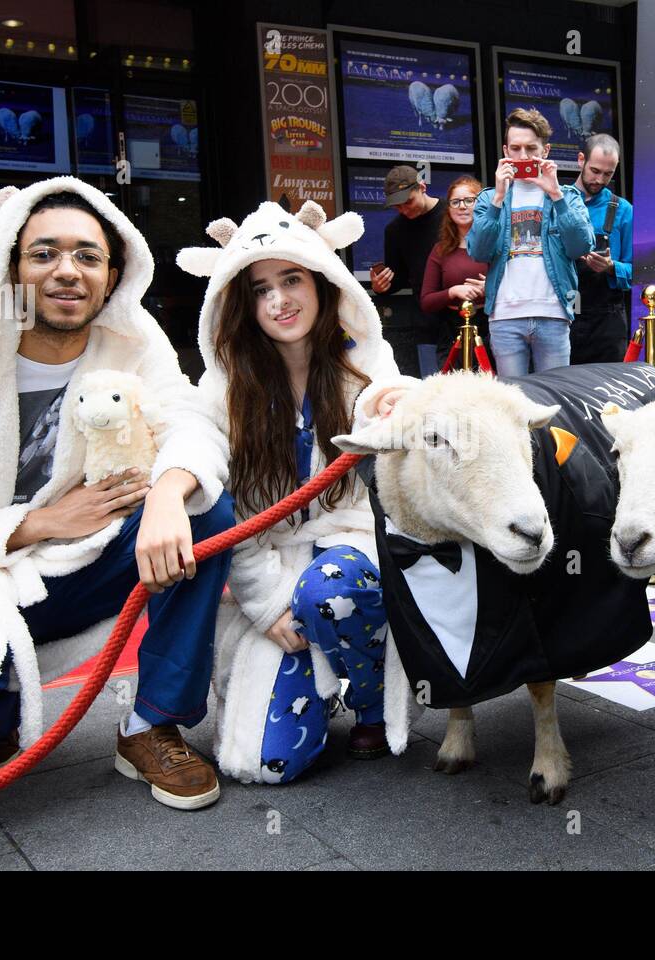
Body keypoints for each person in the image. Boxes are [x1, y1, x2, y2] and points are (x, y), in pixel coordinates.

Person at [0, 178, 236, 810]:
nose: (68, 271)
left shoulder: (134, 347)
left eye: (87, 256)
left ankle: (151, 722)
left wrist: (170, 495)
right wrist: (36, 523)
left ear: (114, 273)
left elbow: (191, 424)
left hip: (87, 562)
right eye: (44, 254)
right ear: (9, 264)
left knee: (207, 509)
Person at [178, 200, 418, 784]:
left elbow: (395, 400)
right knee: (270, 764)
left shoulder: (366, 364)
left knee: (331, 591)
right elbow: (200, 460)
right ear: (241, 304)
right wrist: (266, 603)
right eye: (260, 289)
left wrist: (400, 406)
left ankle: (367, 696)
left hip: (350, 558)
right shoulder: (226, 388)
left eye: (291, 279)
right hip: (272, 570)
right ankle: (318, 672)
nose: (278, 300)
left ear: (324, 281)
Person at [467, 108, 594, 377]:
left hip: (554, 312)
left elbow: (581, 247)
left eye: (531, 148)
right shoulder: (488, 197)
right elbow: (478, 250)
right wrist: (498, 199)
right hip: (504, 315)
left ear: (545, 151)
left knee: (557, 400)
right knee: (514, 405)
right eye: (515, 148)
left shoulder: (568, 196)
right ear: (505, 150)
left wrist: (556, 195)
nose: (523, 156)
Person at [370, 166, 447, 373]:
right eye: (398, 206)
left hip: (464, 317)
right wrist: (381, 286)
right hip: (427, 324)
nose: (405, 209)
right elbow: (400, 278)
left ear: (422, 187)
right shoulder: (395, 230)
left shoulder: (452, 213)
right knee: (434, 394)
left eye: (408, 201)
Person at [571, 134, 634, 364]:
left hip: (608, 321)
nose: (600, 179)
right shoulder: (559, 201)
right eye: (595, 171)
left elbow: (636, 272)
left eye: (608, 174)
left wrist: (611, 267)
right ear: (581, 160)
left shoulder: (623, 210)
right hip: (565, 315)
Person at [420, 176, 489, 366]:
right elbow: (426, 301)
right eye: (455, 202)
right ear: (448, 209)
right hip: (452, 331)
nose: (462, 206)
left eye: (469, 200)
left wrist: (491, 288)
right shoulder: (441, 249)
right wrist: (453, 292)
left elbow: (516, 288)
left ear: (481, 204)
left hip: (492, 329)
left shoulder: (495, 243)